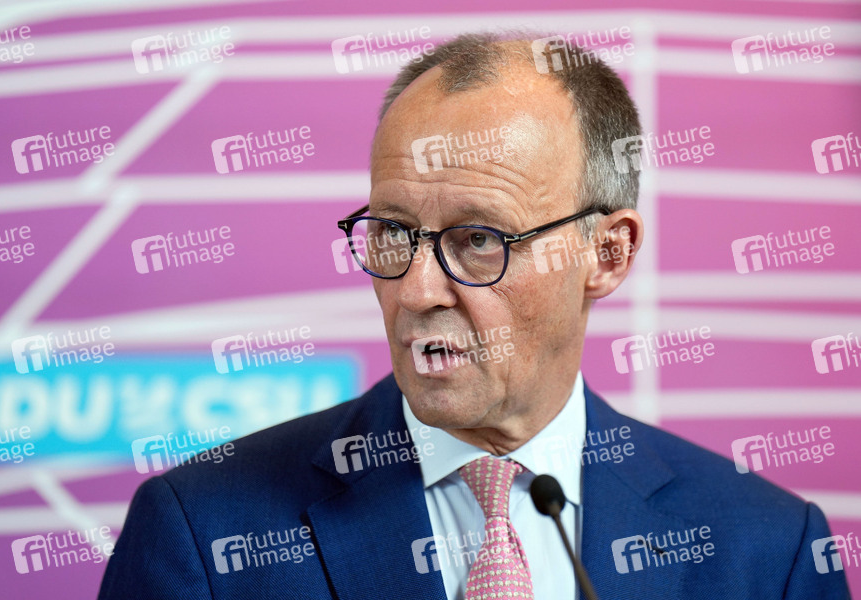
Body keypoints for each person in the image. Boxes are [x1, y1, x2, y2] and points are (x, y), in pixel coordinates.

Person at [98, 32, 850, 599]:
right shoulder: (204, 533)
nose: (417, 290)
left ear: (607, 253)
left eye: (480, 239)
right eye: (394, 232)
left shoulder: (767, 549)